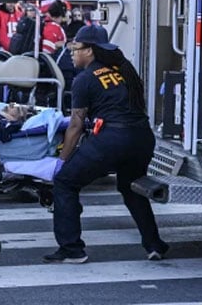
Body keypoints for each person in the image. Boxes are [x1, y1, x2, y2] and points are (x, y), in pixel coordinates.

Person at [44, 25, 169, 264]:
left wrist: (62, 161)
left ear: (89, 51)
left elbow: (76, 125)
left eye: (75, 48)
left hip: (112, 139)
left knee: (65, 183)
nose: (71, 52)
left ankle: (72, 249)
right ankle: (154, 245)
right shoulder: (125, 70)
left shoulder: (85, 79)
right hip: (142, 138)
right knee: (131, 187)